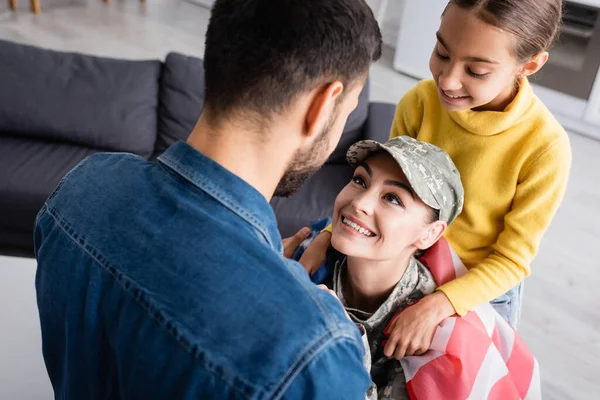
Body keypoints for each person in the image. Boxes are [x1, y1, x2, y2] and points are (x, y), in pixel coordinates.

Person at [33, 0, 382, 398]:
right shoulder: (312, 349)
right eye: (347, 111)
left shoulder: (82, 188)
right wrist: (322, 330)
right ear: (321, 107)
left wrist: (271, 276)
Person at [311, 0, 572, 361]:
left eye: (476, 71)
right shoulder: (419, 102)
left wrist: (438, 305)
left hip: (478, 288)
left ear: (528, 66)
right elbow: (379, 188)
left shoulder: (545, 149)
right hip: (408, 261)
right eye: (441, 52)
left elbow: (511, 261)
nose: (447, 80)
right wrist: (324, 238)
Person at [293, 136, 464, 399]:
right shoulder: (307, 256)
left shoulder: (432, 333)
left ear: (429, 235)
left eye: (393, 198)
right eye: (360, 180)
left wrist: (345, 338)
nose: (360, 203)